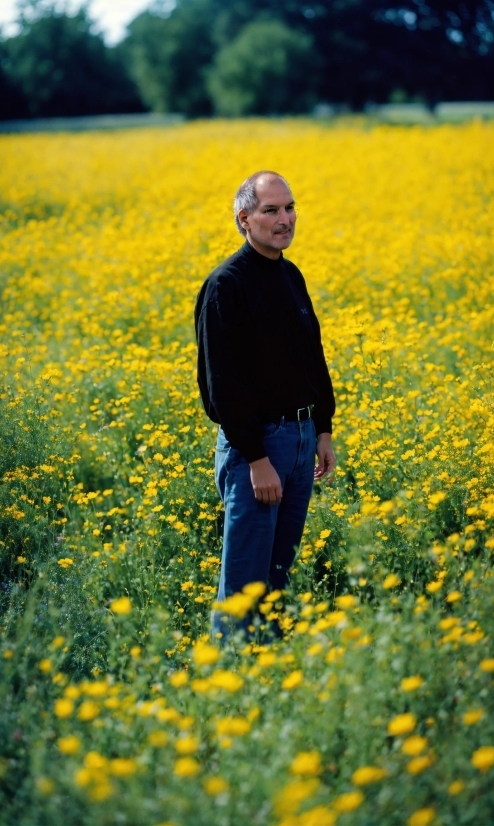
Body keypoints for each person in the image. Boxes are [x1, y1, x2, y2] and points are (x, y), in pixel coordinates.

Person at [194, 171, 335, 638]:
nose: (285, 219)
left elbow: (311, 357)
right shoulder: (226, 285)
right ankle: (229, 686)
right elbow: (223, 386)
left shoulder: (289, 274)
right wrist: (256, 458)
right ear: (244, 219)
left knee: (277, 581)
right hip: (258, 450)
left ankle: (268, 675)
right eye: (271, 210)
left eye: (290, 207)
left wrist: (323, 428)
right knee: (243, 587)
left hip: (298, 442)